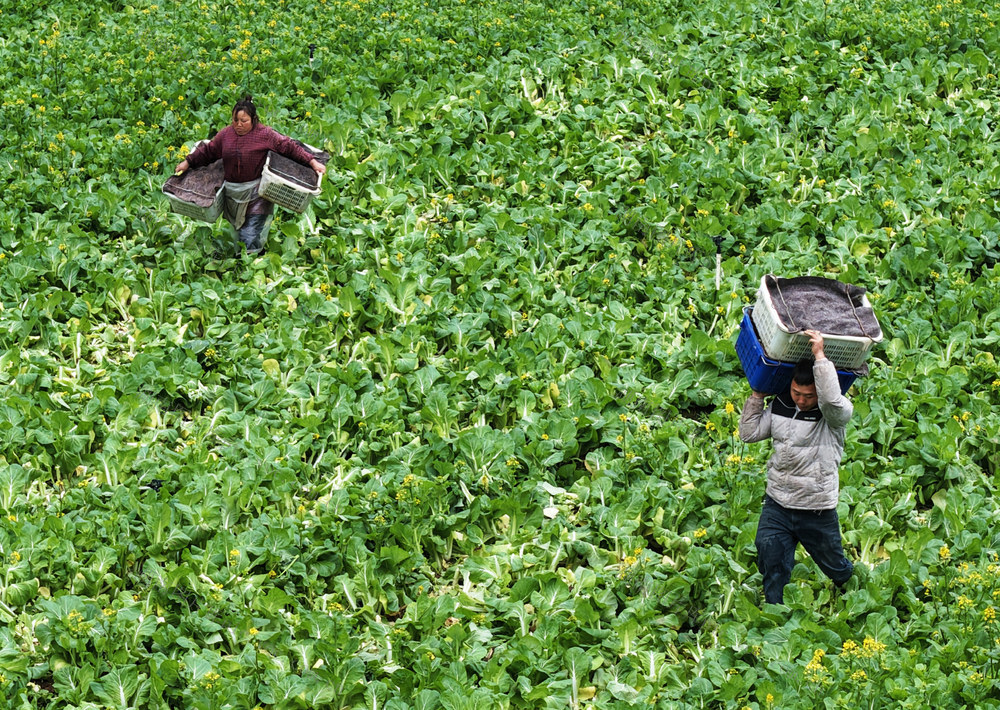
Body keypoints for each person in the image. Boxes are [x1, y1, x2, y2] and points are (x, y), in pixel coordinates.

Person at [739, 330, 855, 605]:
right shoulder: (781, 404)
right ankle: (774, 611)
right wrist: (757, 395)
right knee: (770, 553)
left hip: (815, 507)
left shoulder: (833, 416)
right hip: (778, 500)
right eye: (796, 393)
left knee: (834, 565)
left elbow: (832, 400)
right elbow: (749, 433)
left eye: (808, 396)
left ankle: (855, 591)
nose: (801, 400)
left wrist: (820, 356)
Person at [174, 95, 326, 254]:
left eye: (244, 121)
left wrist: (312, 162)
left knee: (250, 232)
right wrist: (188, 162)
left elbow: (289, 147)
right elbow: (208, 151)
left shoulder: (265, 134)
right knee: (237, 233)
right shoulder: (226, 135)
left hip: (256, 192)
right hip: (233, 193)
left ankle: (251, 262)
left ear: (253, 119)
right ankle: (242, 260)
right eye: (235, 120)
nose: (239, 125)